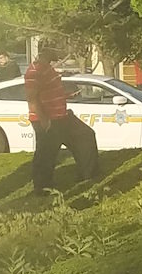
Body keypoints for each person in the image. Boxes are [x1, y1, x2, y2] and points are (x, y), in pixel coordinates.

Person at [24, 49, 97, 193]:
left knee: (86, 135)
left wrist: (67, 95)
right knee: (46, 153)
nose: (57, 59)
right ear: (46, 54)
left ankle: (88, 174)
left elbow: (51, 91)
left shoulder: (48, 68)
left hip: (62, 116)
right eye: (55, 56)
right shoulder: (34, 71)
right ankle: (42, 187)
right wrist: (44, 120)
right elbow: (32, 98)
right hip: (48, 119)